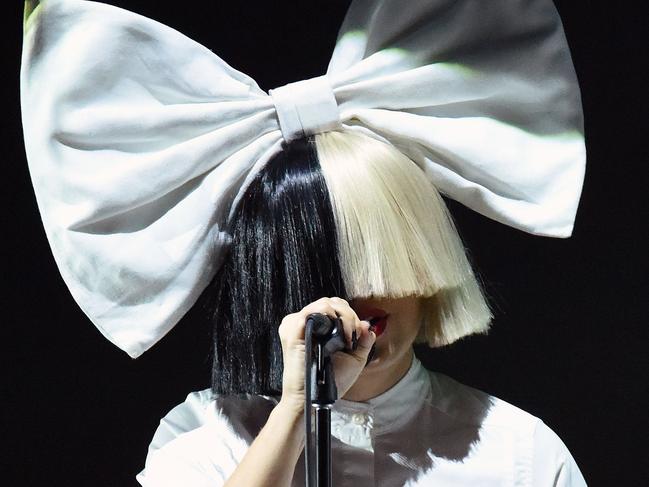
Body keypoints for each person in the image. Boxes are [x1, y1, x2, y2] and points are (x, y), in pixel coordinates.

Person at [19, 0, 588, 485]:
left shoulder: (523, 455)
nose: (360, 292)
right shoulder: (200, 442)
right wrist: (297, 408)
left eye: (382, 256)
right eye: (322, 265)